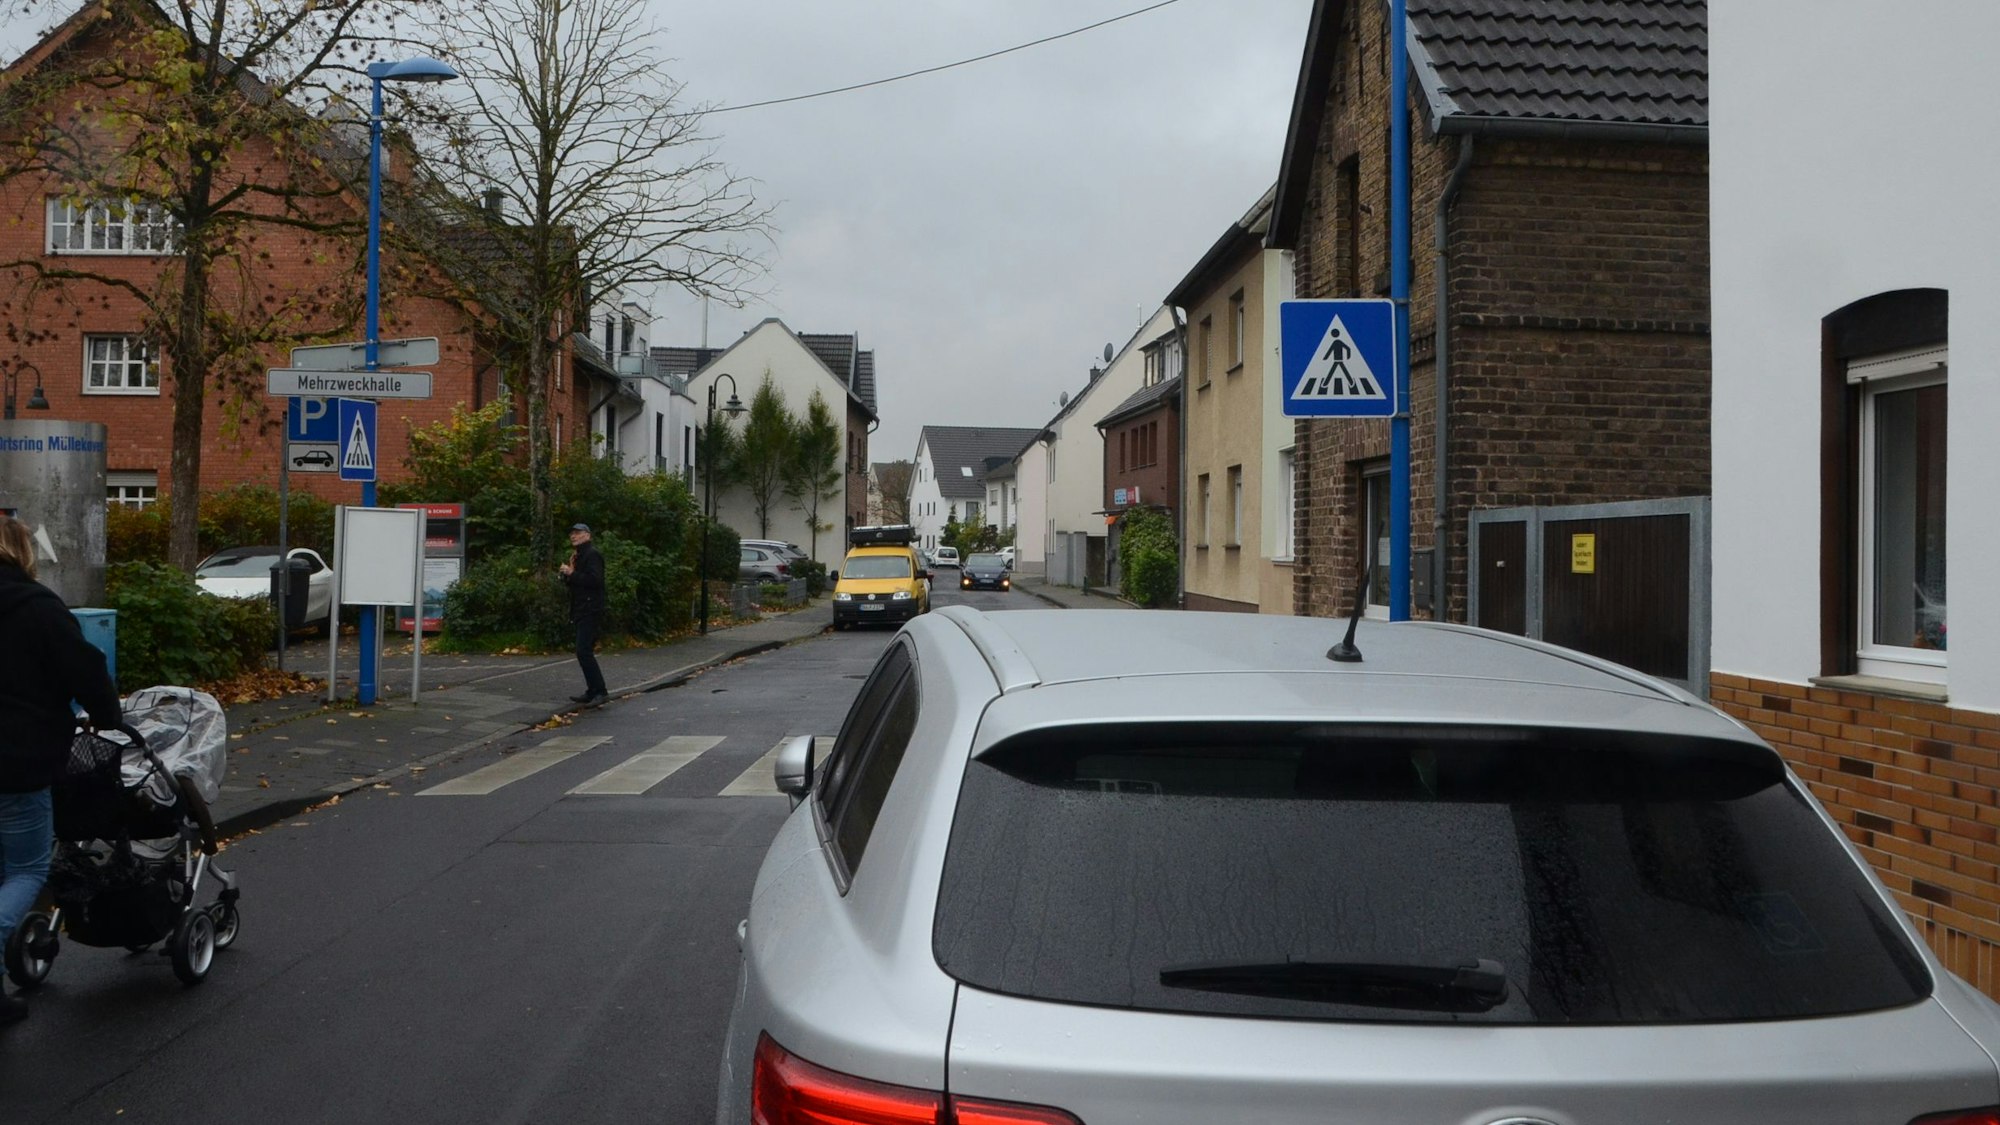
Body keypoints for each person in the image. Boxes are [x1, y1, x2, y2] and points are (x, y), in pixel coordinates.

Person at [0, 515, 121, 1026]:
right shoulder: (38, 609)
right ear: (22, 551)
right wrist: (109, 715)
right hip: (17, 761)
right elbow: (86, 669)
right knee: (26, 870)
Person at [557, 522, 608, 705]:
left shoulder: (592, 555)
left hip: (591, 609)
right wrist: (567, 576)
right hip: (581, 608)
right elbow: (578, 583)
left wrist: (572, 573)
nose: (573, 536)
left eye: (578, 533)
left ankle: (600, 691)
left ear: (587, 535)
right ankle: (593, 690)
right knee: (583, 651)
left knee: (583, 650)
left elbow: (595, 581)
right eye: (572, 533)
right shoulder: (577, 556)